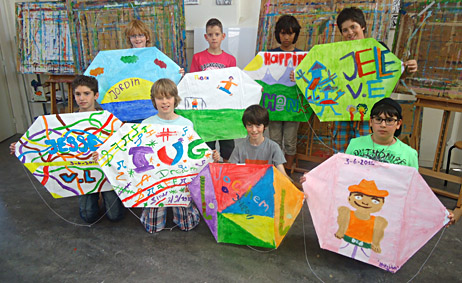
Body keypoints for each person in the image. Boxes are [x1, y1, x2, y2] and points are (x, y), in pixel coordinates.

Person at [11, 75, 126, 223]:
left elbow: (122, 142)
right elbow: (47, 142)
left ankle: (108, 196)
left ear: (96, 95)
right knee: (88, 216)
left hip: (105, 173)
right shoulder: (66, 121)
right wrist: (22, 146)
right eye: (77, 94)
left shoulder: (107, 119)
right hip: (82, 173)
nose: (82, 98)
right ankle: (94, 197)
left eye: (86, 93)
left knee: (115, 216)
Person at [332, 7, 418, 153]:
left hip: (370, 112)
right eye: (345, 30)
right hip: (343, 111)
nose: (350, 33)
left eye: (353, 27)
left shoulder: (378, 49)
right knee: (341, 152)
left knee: (366, 152)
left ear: (363, 27)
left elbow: (394, 73)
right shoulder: (337, 53)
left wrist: (408, 69)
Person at [140, 78, 219, 233]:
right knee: (152, 226)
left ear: (175, 99)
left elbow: (194, 152)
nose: (164, 102)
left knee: (187, 224)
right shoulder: (145, 124)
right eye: (160, 98)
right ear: (154, 100)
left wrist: (211, 156)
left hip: (180, 178)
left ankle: (187, 207)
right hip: (156, 179)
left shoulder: (186, 124)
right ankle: (151, 208)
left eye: (168, 97)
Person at [189, 18, 236, 162]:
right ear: (205, 37)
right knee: (206, 144)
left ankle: (227, 170)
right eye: (210, 34)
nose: (213, 37)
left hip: (224, 109)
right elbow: (192, 81)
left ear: (223, 36)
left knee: (228, 145)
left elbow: (234, 83)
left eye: (216, 34)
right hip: (205, 110)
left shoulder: (230, 59)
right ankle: (207, 172)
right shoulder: (198, 58)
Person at [268, 15, 303, 175]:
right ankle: (276, 171)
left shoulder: (303, 57)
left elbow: (311, 81)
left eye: (290, 33)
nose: (286, 37)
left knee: (290, 142)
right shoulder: (269, 55)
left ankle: (287, 173)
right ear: (278, 34)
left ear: (295, 34)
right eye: (283, 33)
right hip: (274, 107)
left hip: (293, 108)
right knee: (274, 140)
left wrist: (301, 77)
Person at [228, 104, 290, 178]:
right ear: (245, 126)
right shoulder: (239, 148)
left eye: (258, 125)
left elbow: (282, 174)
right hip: (245, 186)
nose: (254, 130)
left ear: (265, 126)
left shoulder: (273, 147)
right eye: (250, 125)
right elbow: (230, 171)